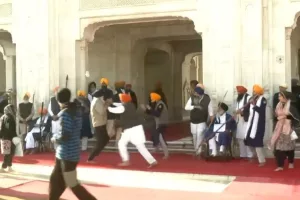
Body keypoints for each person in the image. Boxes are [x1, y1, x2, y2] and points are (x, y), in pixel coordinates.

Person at [49, 88, 97, 200]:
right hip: (68, 152)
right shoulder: (75, 111)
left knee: (72, 183)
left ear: (58, 100)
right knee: (55, 179)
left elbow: (65, 134)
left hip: (67, 153)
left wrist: (54, 139)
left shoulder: (66, 114)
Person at [108, 93, 157, 168]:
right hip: (136, 128)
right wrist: (112, 103)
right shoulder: (131, 105)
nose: (120, 100)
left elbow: (115, 110)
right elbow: (120, 105)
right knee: (140, 146)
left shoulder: (123, 107)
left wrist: (107, 107)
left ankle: (126, 161)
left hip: (130, 130)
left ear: (123, 100)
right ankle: (152, 161)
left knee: (122, 144)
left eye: (121, 99)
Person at [270, 91, 300, 171]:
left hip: (288, 130)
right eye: (279, 96)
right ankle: (280, 166)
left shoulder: (291, 107)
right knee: (279, 148)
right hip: (279, 129)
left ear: (285, 97)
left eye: (280, 96)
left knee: (290, 148)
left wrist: (287, 117)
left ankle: (291, 162)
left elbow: (297, 119)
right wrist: (279, 118)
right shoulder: (278, 106)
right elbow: (275, 118)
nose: (279, 98)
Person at [185, 86, 214, 155]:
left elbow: (210, 110)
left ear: (199, 93)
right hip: (193, 120)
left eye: (196, 93)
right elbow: (186, 107)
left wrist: (212, 118)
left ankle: (199, 150)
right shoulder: (192, 98)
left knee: (199, 134)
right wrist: (195, 106)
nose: (195, 94)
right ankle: (196, 149)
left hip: (202, 121)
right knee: (194, 135)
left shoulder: (207, 99)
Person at [87, 89, 113, 162]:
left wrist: (106, 103)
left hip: (101, 123)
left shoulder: (98, 101)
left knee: (105, 139)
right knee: (100, 142)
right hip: (99, 124)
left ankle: (95, 154)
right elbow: (101, 111)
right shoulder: (97, 101)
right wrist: (107, 104)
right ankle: (90, 158)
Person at [244, 84, 267, 167]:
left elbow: (261, 111)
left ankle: (262, 160)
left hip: (259, 124)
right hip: (251, 123)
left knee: (258, 142)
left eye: (255, 91)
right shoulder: (252, 99)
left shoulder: (263, 100)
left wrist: (254, 105)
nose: (253, 92)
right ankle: (254, 156)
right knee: (248, 140)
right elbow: (246, 108)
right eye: (253, 91)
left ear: (258, 92)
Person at [142, 92, 169, 159]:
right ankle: (157, 148)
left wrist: (149, 109)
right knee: (156, 135)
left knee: (161, 138)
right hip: (159, 123)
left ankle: (166, 154)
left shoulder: (160, 104)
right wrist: (146, 110)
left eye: (152, 98)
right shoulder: (158, 104)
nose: (151, 99)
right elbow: (153, 113)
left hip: (161, 123)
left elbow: (157, 114)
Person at [235, 85, 253, 159]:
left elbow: (252, 110)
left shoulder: (249, 98)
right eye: (238, 92)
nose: (238, 93)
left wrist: (243, 113)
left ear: (243, 92)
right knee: (240, 138)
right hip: (239, 120)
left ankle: (250, 155)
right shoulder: (239, 98)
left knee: (246, 137)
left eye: (239, 92)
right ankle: (243, 154)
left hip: (246, 120)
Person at [0, 104, 17, 173]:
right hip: (8, 137)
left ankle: (9, 167)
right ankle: (3, 167)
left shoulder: (3, 117)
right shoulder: (9, 117)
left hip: (5, 136)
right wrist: (14, 136)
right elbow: (8, 128)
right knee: (8, 153)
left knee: (9, 152)